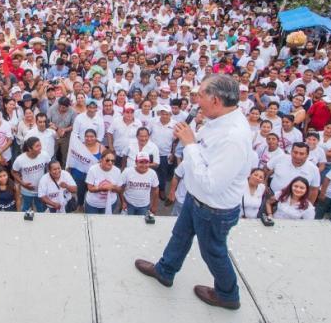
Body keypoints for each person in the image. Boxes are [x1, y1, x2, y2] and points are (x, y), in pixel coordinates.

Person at [135, 75, 254, 310]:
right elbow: (204, 156)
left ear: (216, 100)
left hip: (213, 208)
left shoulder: (233, 137)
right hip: (196, 197)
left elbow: (212, 183)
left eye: (200, 95)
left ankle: (228, 294)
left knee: (213, 253)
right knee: (180, 235)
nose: (196, 100)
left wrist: (189, 144)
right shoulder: (217, 120)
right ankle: (165, 270)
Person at [11, 137, 50, 212]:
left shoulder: (44, 155)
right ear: (29, 149)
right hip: (27, 191)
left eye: (40, 145)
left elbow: (49, 166)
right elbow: (13, 172)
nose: (40, 148)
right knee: (26, 209)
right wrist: (22, 183)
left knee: (40, 209)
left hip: (41, 190)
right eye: (37, 146)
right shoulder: (20, 159)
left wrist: (47, 180)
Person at [84, 149, 123, 214]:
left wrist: (113, 187)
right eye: (107, 160)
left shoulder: (117, 171)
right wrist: (101, 188)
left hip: (110, 203)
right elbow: (90, 188)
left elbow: (119, 189)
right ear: (101, 159)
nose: (110, 162)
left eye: (113, 161)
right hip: (93, 204)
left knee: (105, 223)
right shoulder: (93, 169)